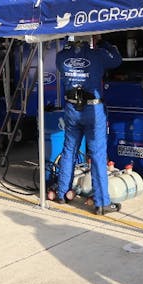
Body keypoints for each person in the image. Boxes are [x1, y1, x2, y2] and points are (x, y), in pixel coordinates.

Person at [54, 36, 122, 215]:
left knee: (69, 150)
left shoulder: (61, 56)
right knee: (98, 154)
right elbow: (117, 60)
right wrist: (106, 43)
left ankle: (62, 194)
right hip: (93, 110)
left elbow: (68, 64)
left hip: (71, 109)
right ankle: (101, 203)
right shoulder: (98, 55)